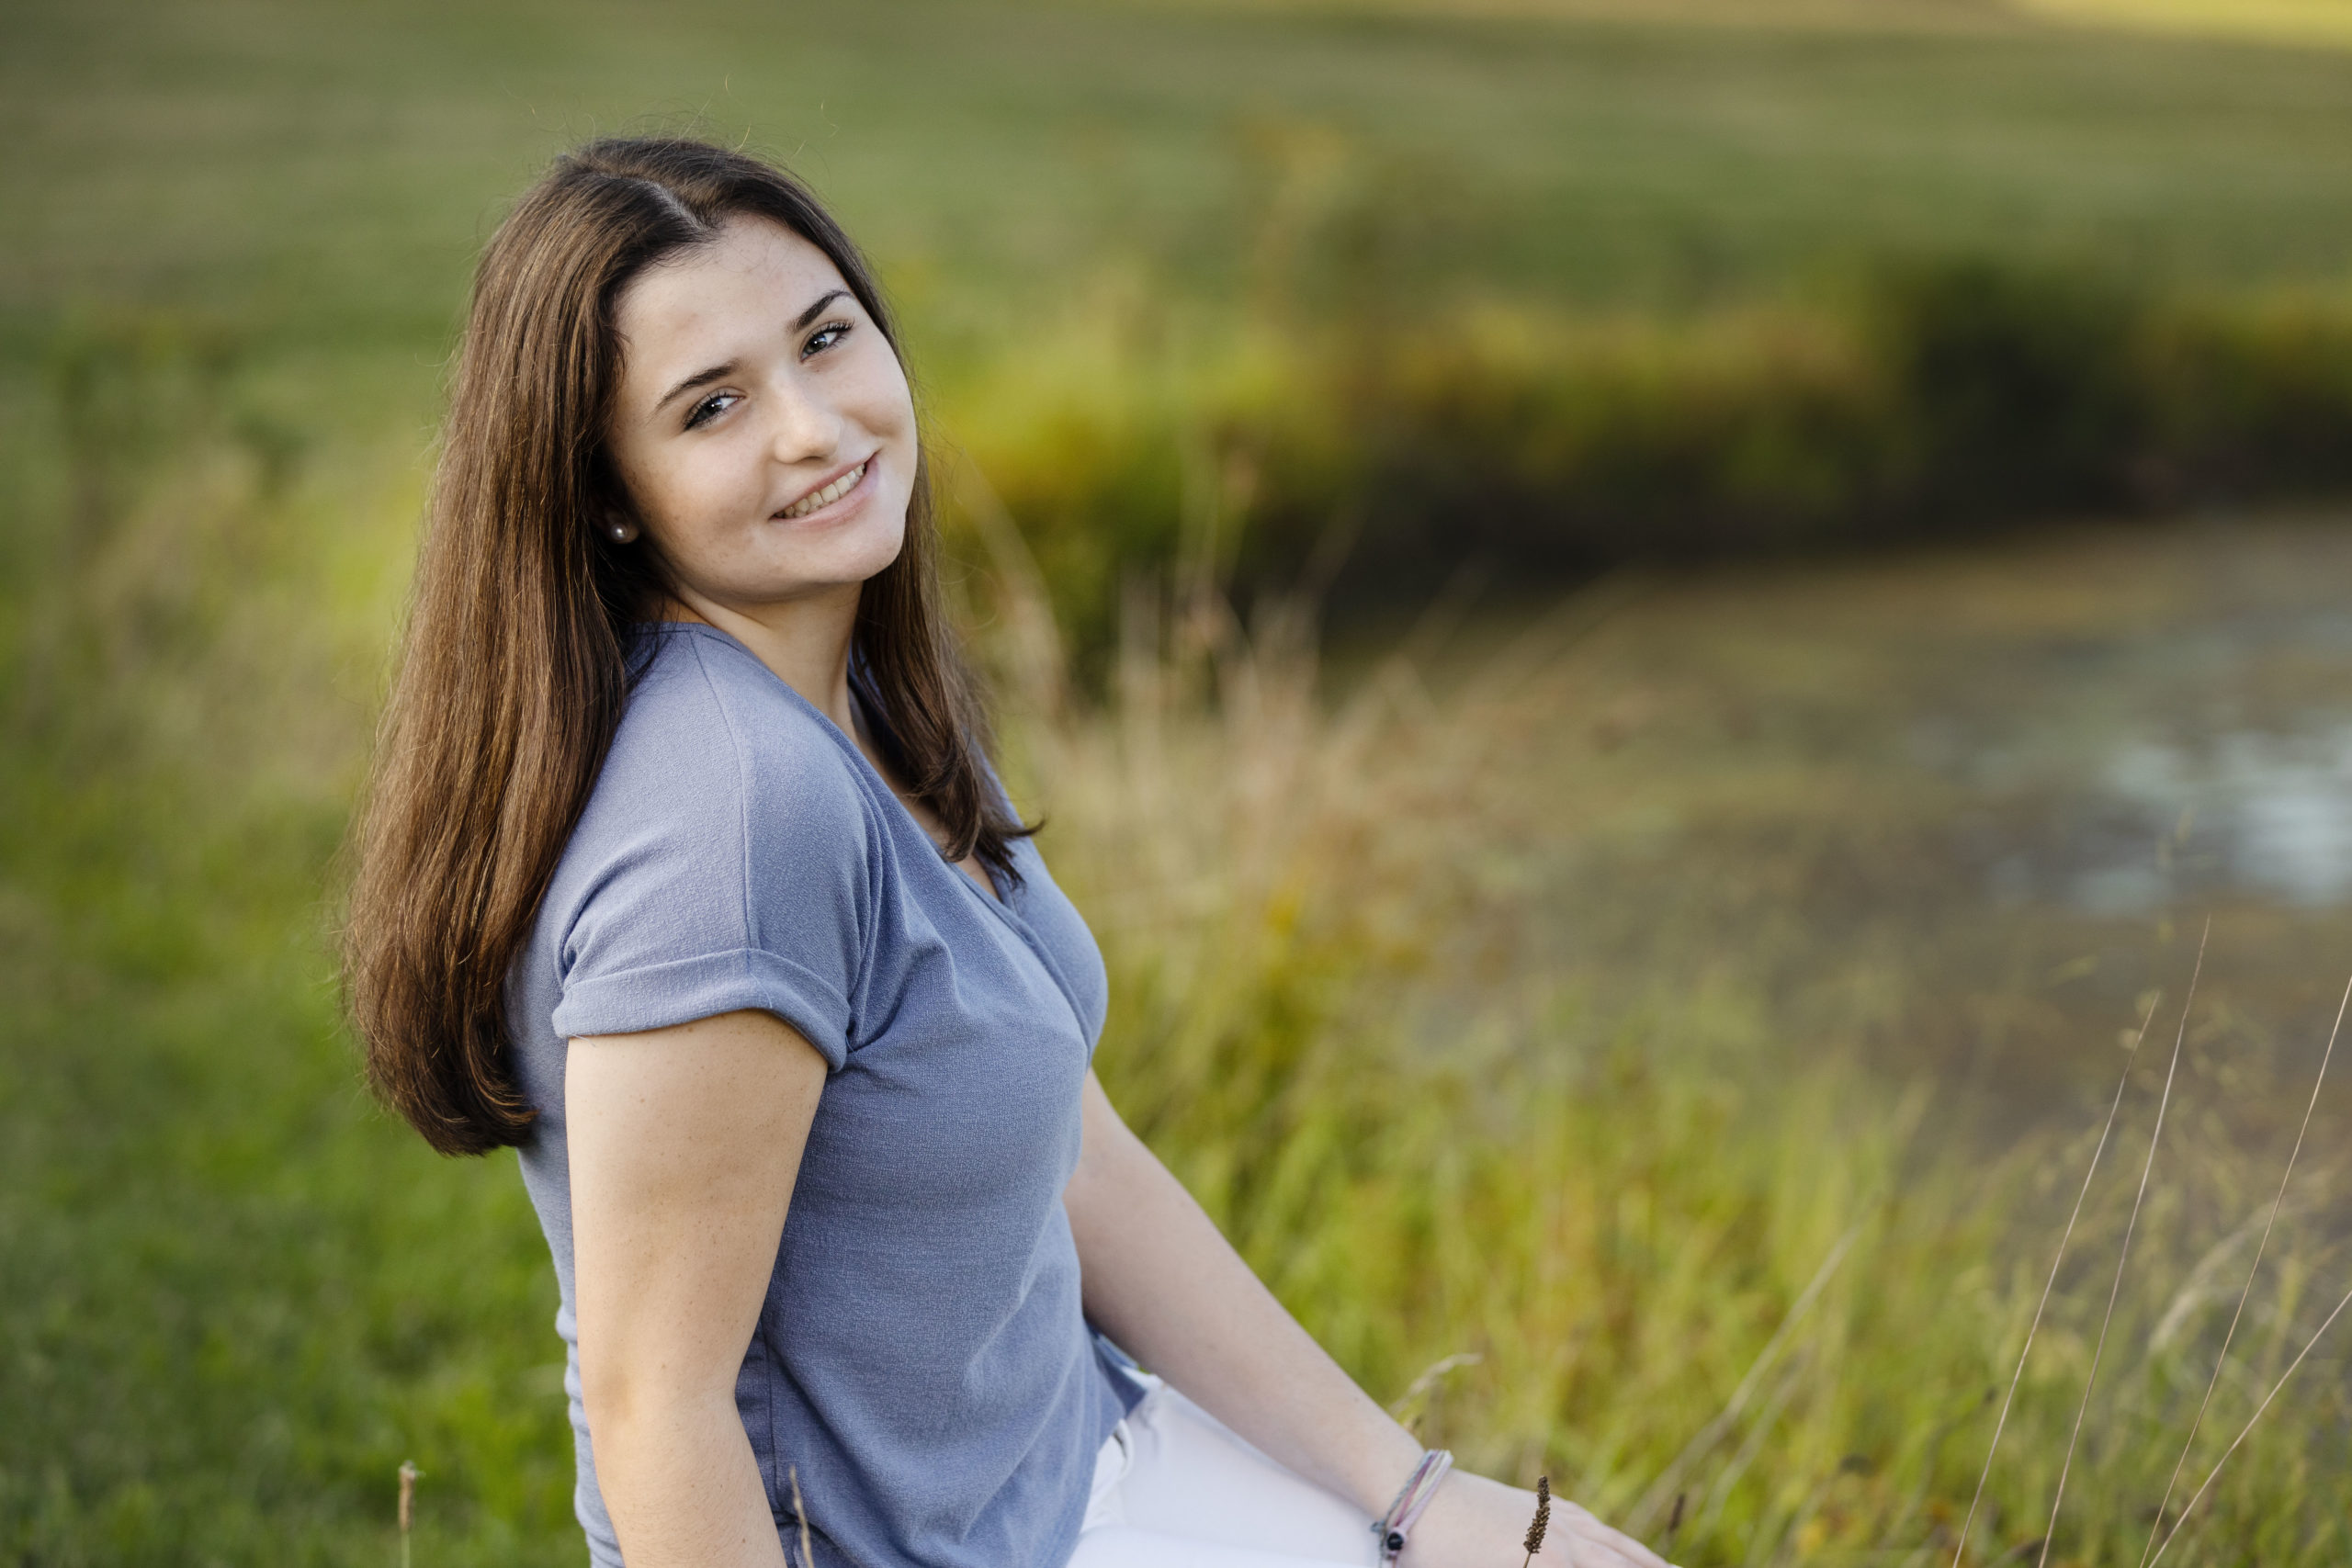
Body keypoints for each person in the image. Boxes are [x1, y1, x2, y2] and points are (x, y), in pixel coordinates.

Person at [342, 136, 1671, 1568]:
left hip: (1079, 1465)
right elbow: (654, 1404)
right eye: (712, 406)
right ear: (609, 493)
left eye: (826, 340)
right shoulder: (732, 820)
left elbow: (1070, 1154)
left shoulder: (854, 694)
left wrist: (1421, 1498)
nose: (812, 427)